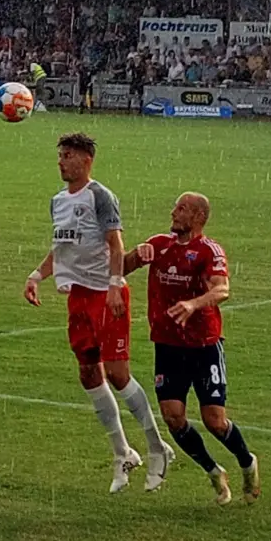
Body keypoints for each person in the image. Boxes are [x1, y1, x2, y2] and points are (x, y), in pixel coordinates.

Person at [24, 133, 171, 493]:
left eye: (68, 156)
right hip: (77, 298)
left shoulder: (99, 196)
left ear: (86, 160)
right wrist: (36, 275)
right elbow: (62, 248)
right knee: (89, 374)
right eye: (59, 155)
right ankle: (123, 452)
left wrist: (114, 284)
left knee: (118, 374)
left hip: (106, 295)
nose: (61, 162)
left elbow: (115, 242)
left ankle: (157, 447)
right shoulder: (57, 201)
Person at [124, 193, 259, 505]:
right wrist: (135, 255)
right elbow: (116, 267)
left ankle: (247, 462)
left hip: (204, 346)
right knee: (173, 417)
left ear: (198, 217)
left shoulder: (208, 250)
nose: (173, 212)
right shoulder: (159, 244)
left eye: (181, 209)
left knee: (214, 420)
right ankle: (213, 471)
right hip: (168, 346)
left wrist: (193, 304)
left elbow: (222, 288)